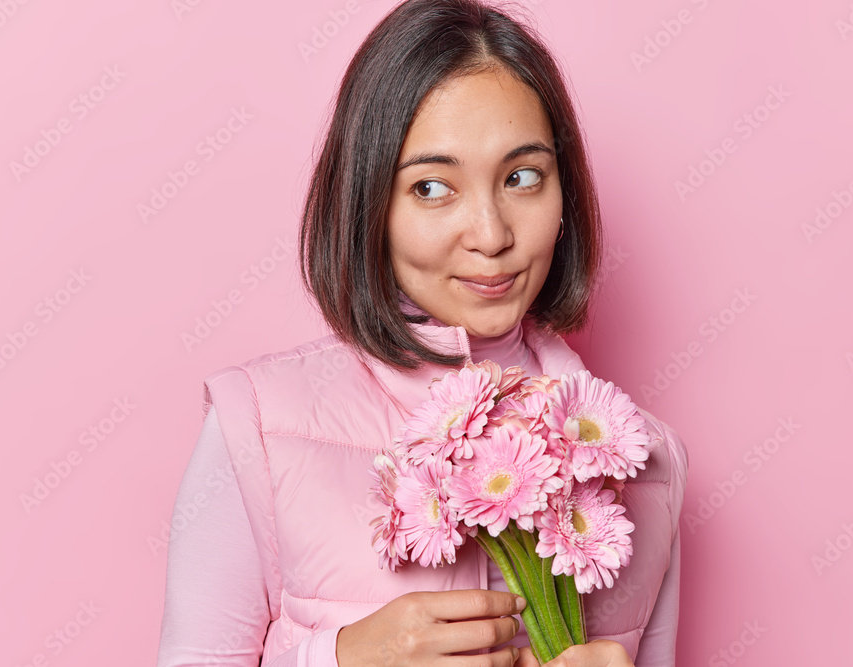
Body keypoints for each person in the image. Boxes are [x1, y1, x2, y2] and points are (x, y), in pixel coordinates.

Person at [155, 0, 689, 665]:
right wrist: (338, 658)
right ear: (368, 202)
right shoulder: (256, 428)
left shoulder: (648, 461)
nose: (492, 236)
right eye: (433, 188)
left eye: (523, 178)